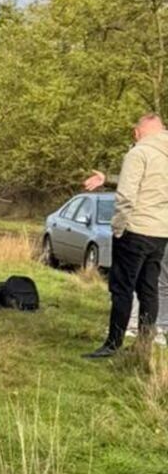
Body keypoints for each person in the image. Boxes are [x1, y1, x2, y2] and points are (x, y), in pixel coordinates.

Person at [82, 114, 168, 358]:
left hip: (135, 229)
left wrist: (118, 227)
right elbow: (149, 184)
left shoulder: (138, 153)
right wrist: (107, 179)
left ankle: (113, 343)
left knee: (122, 288)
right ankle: (144, 344)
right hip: (160, 232)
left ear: (138, 132)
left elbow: (127, 195)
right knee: (149, 289)